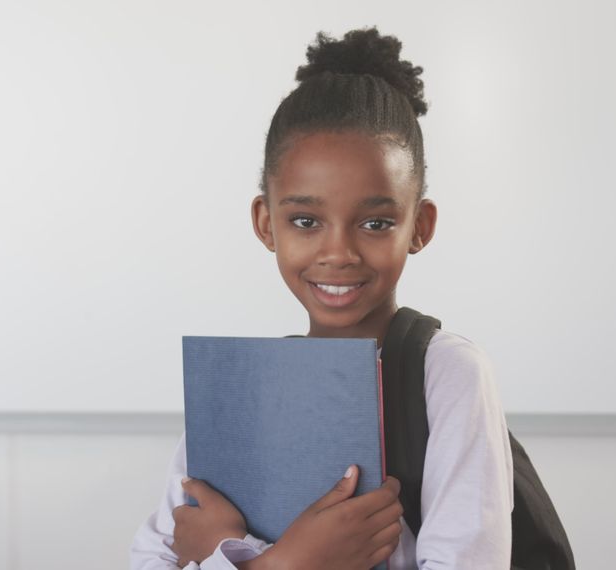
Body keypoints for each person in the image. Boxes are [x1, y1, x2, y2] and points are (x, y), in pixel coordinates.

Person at [130, 26, 513, 569]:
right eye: (305, 220)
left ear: (419, 226)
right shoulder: (242, 387)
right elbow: (151, 560)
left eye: (376, 222)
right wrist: (289, 563)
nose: (339, 253)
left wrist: (252, 560)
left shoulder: (446, 374)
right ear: (266, 223)